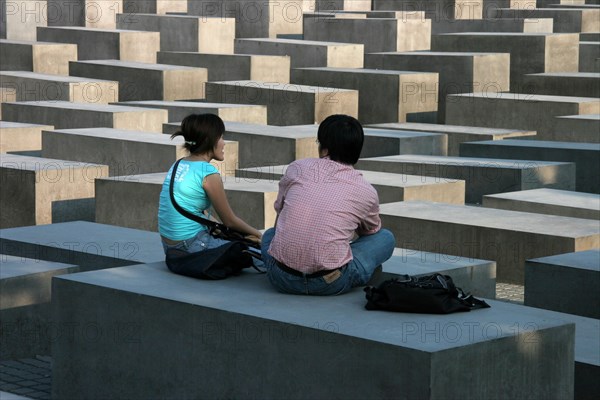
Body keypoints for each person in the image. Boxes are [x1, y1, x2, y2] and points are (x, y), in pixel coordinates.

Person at [261, 114, 395, 295]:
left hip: (281, 277)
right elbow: (370, 232)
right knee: (385, 238)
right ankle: (358, 271)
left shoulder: (297, 167)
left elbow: (280, 215)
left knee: (269, 234)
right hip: (330, 282)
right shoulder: (366, 190)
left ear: (324, 148)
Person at [158, 113, 262, 257]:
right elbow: (230, 221)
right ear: (209, 140)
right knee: (257, 254)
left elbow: (199, 212)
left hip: (170, 247)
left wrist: (219, 228)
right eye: (221, 137)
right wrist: (260, 235)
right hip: (191, 245)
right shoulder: (207, 172)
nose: (224, 143)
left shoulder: (178, 164)